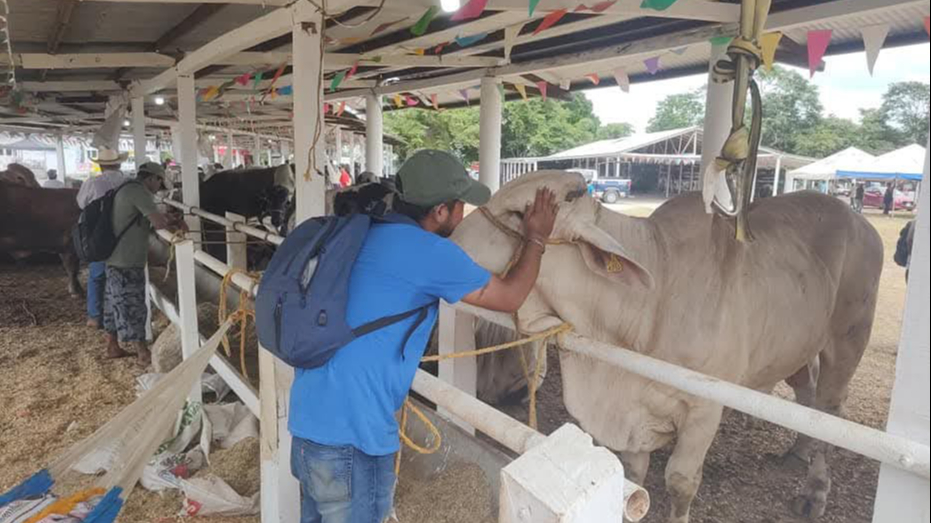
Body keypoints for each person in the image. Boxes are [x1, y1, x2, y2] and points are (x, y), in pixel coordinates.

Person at [288, 150, 558, 523]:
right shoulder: (431, 253)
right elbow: (510, 296)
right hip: (353, 438)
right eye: (460, 204)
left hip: (307, 422)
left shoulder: (364, 231)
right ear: (441, 211)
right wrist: (537, 238)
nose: (464, 213)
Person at [103, 162, 185, 364]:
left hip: (114, 256)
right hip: (128, 259)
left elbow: (140, 219)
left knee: (114, 302)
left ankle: (112, 346)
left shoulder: (125, 188)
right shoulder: (140, 192)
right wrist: (175, 221)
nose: (159, 188)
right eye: (159, 183)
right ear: (151, 178)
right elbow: (158, 223)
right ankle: (142, 352)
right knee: (133, 305)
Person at [77, 148, 131, 329]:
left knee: (97, 276)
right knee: (124, 274)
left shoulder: (93, 183)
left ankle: (95, 316)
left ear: (100, 165)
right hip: (125, 232)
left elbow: (81, 203)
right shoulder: (128, 182)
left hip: (99, 232)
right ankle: (121, 314)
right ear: (119, 164)